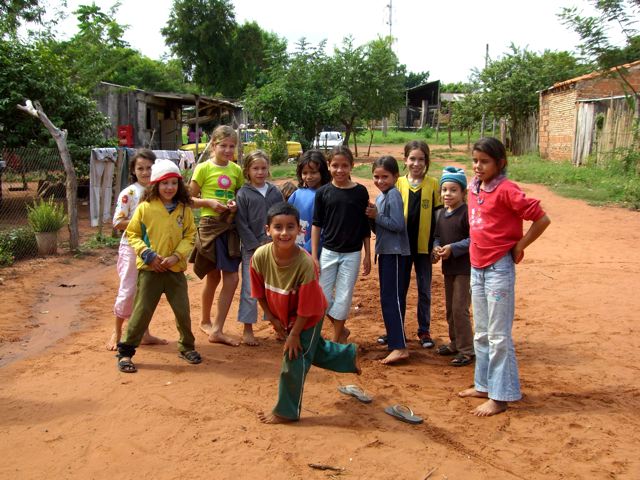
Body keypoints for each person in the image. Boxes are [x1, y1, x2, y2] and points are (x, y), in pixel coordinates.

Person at [458, 137, 550, 416]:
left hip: (499, 268)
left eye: (484, 161)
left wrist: (520, 245)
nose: (478, 166)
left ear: (500, 163)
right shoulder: (473, 188)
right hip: (477, 266)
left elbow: (542, 219)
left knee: (498, 335)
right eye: (475, 160)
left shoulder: (508, 190)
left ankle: (501, 396)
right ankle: (483, 385)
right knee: (482, 332)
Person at [251, 202, 361, 423]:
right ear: (267, 230)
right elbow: (258, 291)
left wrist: (293, 334)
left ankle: (285, 412)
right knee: (312, 349)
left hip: (308, 316)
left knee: (294, 358)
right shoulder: (260, 256)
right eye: (278, 227)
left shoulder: (305, 263)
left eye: (290, 227)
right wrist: (271, 318)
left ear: (300, 230)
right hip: (283, 313)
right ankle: (348, 355)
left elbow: (307, 307)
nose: (284, 233)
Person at [116, 160, 201, 373]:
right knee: (141, 311)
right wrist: (148, 255)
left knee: (182, 311)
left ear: (179, 185)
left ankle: (186, 347)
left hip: (174, 270)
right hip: (150, 270)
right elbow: (133, 234)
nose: (169, 187)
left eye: (174, 183)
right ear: (156, 185)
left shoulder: (184, 209)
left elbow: (190, 235)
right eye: (164, 183)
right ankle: (126, 351)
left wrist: (176, 256)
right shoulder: (145, 208)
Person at [189, 125, 244, 346]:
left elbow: (240, 197)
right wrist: (209, 203)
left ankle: (218, 328)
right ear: (213, 145)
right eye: (223, 145)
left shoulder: (236, 170)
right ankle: (205, 320)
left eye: (232, 146)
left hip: (229, 227)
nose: (228, 150)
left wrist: (233, 205)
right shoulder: (203, 168)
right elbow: (190, 199)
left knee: (231, 277)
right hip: (209, 225)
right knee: (212, 276)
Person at [107, 149, 167, 351]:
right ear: (133, 170)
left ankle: (145, 334)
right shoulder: (129, 193)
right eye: (140, 168)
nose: (145, 172)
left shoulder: (161, 191)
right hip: (131, 248)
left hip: (153, 249)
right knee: (128, 290)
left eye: (149, 168)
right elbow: (117, 222)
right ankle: (117, 332)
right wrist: (142, 220)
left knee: (146, 292)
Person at [311, 146, 371, 343]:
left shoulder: (360, 192)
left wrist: (368, 255)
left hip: (352, 253)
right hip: (328, 251)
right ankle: (342, 330)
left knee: (344, 297)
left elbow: (365, 227)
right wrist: (314, 255)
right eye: (335, 165)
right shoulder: (323, 193)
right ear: (328, 166)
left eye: (344, 165)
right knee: (322, 298)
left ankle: (337, 339)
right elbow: (316, 224)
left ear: (352, 166)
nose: (340, 170)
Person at [392, 140, 442, 349]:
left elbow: (439, 217)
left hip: (424, 248)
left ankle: (424, 330)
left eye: (421, 159)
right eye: (412, 158)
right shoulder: (398, 184)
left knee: (424, 290)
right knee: (399, 290)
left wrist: (436, 243)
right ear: (405, 160)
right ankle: (396, 330)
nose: (416, 163)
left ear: (427, 161)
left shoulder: (433, 185)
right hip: (401, 248)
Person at [365, 156, 411, 365]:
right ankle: (395, 338)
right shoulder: (383, 196)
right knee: (390, 297)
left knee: (391, 298)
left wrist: (377, 216)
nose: (380, 180)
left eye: (385, 177)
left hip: (395, 253)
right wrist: (373, 217)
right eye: (376, 176)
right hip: (386, 251)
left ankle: (400, 346)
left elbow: (398, 225)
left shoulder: (392, 195)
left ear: (395, 176)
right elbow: (382, 226)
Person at [235, 150, 284, 345]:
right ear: (247, 171)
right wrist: (255, 247)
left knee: (274, 288)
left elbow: (281, 216)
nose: (260, 172)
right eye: (255, 168)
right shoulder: (243, 194)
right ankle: (248, 328)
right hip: (252, 250)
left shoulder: (275, 191)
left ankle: (277, 326)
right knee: (250, 289)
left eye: (264, 168)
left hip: (274, 248)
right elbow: (241, 223)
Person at [432, 166, 474, 367]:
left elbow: (473, 240)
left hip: (465, 268)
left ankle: (467, 350)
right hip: (449, 268)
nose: (447, 194)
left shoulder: (467, 213)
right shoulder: (440, 214)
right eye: (444, 190)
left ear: (463, 193)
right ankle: (455, 342)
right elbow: (437, 237)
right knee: (450, 308)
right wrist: (436, 248)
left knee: (460, 308)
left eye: (453, 190)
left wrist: (453, 248)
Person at [287, 149, 331, 254]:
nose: (309, 177)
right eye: (305, 173)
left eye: (313, 172)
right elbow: (287, 219)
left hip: (320, 252)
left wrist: (309, 249)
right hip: (295, 249)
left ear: (323, 172)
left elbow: (326, 228)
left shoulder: (328, 195)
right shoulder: (296, 195)